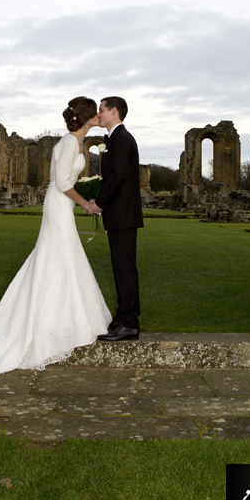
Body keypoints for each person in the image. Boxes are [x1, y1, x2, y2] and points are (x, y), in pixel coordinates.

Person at [0, 97, 111, 376]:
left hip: (62, 202)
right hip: (59, 204)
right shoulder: (68, 143)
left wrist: (88, 192)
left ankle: (64, 317)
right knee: (60, 254)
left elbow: (67, 179)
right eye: (96, 112)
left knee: (61, 256)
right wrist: (86, 202)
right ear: (88, 117)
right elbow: (62, 182)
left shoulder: (76, 143)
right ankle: (49, 323)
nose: (99, 116)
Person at [87, 97, 143, 341]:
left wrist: (99, 202)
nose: (98, 114)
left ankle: (129, 322)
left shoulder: (121, 138)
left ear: (114, 111)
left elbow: (118, 176)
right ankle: (122, 317)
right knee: (120, 268)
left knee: (125, 269)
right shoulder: (115, 139)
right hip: (120, 215)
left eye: (101, 110)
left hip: (123, 215)